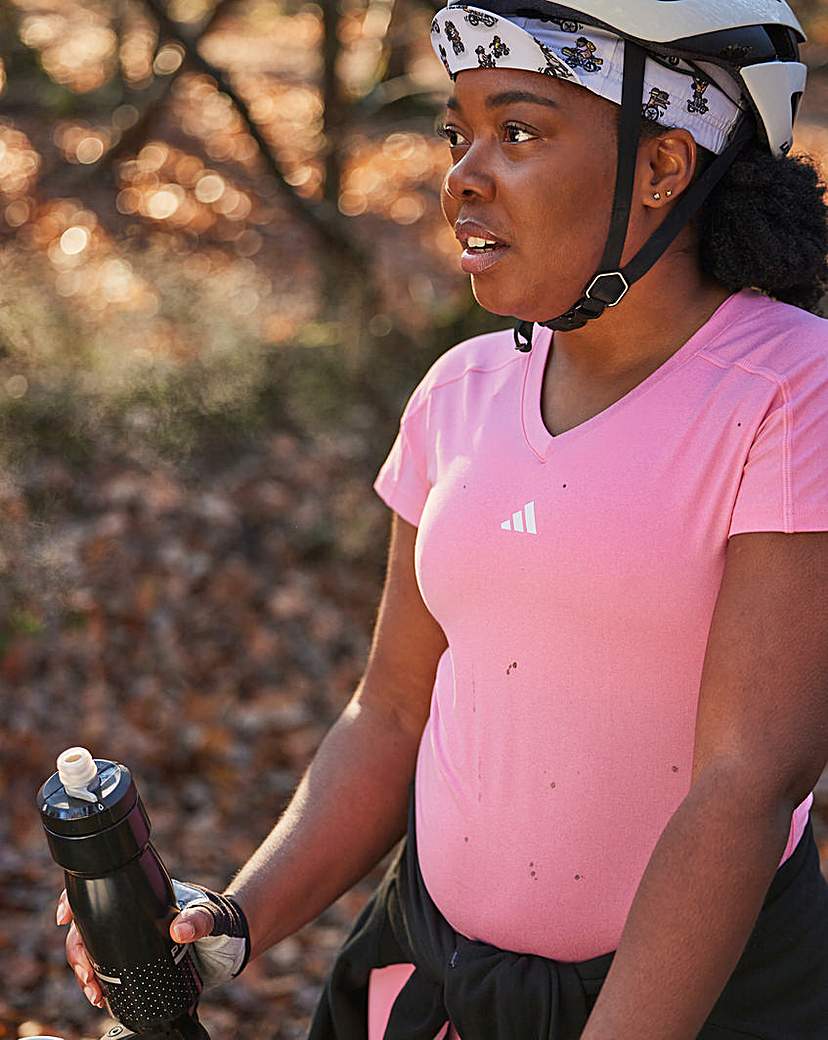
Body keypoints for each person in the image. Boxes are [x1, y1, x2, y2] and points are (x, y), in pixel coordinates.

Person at [58, 0, 828, 1036]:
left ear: (664, 167)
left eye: (517, 131)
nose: (462, 176)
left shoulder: (791, 388)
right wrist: (236, 919)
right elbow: (391, 713)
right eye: (455, 133)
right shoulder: (458, 391)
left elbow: (747, 782)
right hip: (431, 988)